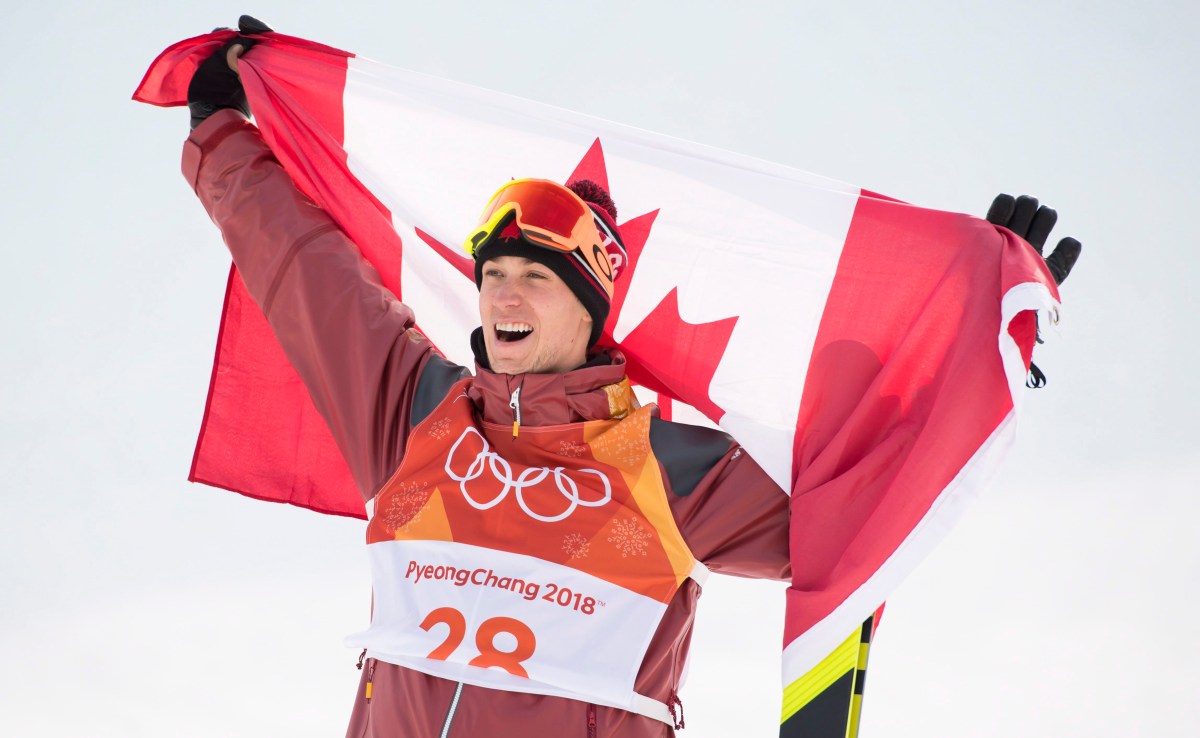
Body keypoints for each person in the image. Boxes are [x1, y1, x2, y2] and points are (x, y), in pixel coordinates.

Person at [180, 18, 1079, 738]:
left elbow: (870, 514)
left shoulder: (673, 468)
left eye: (536, 277)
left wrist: (977, 342)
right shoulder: (415, 413)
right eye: (492, 276)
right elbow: (304, 270)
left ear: (589, 311)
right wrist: (223, 133)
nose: (504, 295)